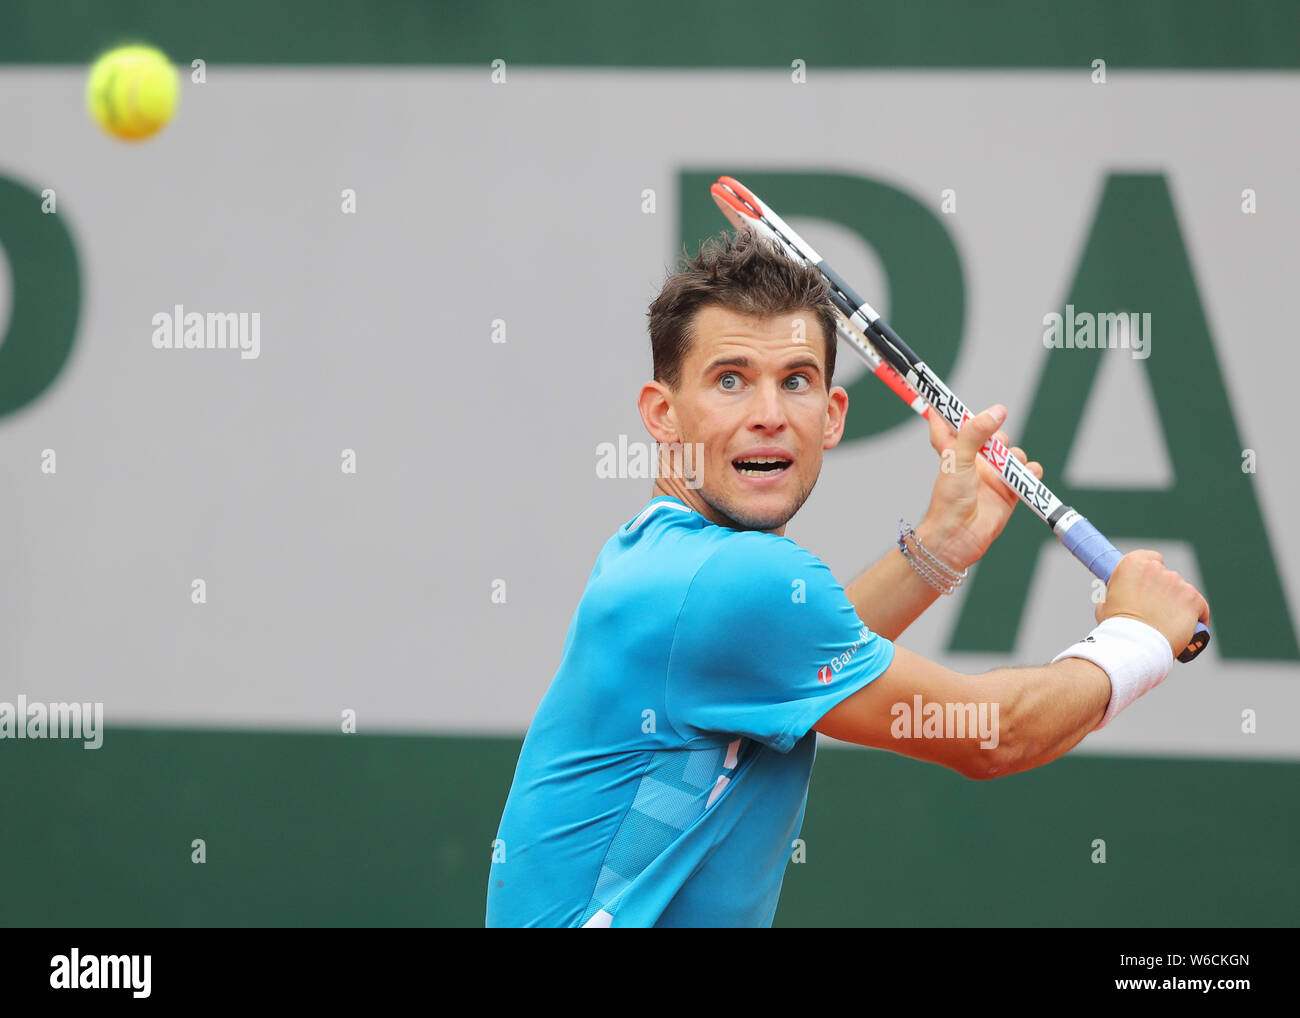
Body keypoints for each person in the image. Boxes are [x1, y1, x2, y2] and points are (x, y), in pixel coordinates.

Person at [484, 229, 1209, 928]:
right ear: (662, 414)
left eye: (795, 382)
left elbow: (805, 658)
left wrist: (940, 548)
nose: (768, 415)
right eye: (730, 380)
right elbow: (994, 737)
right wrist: (1137, 638)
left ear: (832, 416)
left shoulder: (662, 556)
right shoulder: (736, 583)